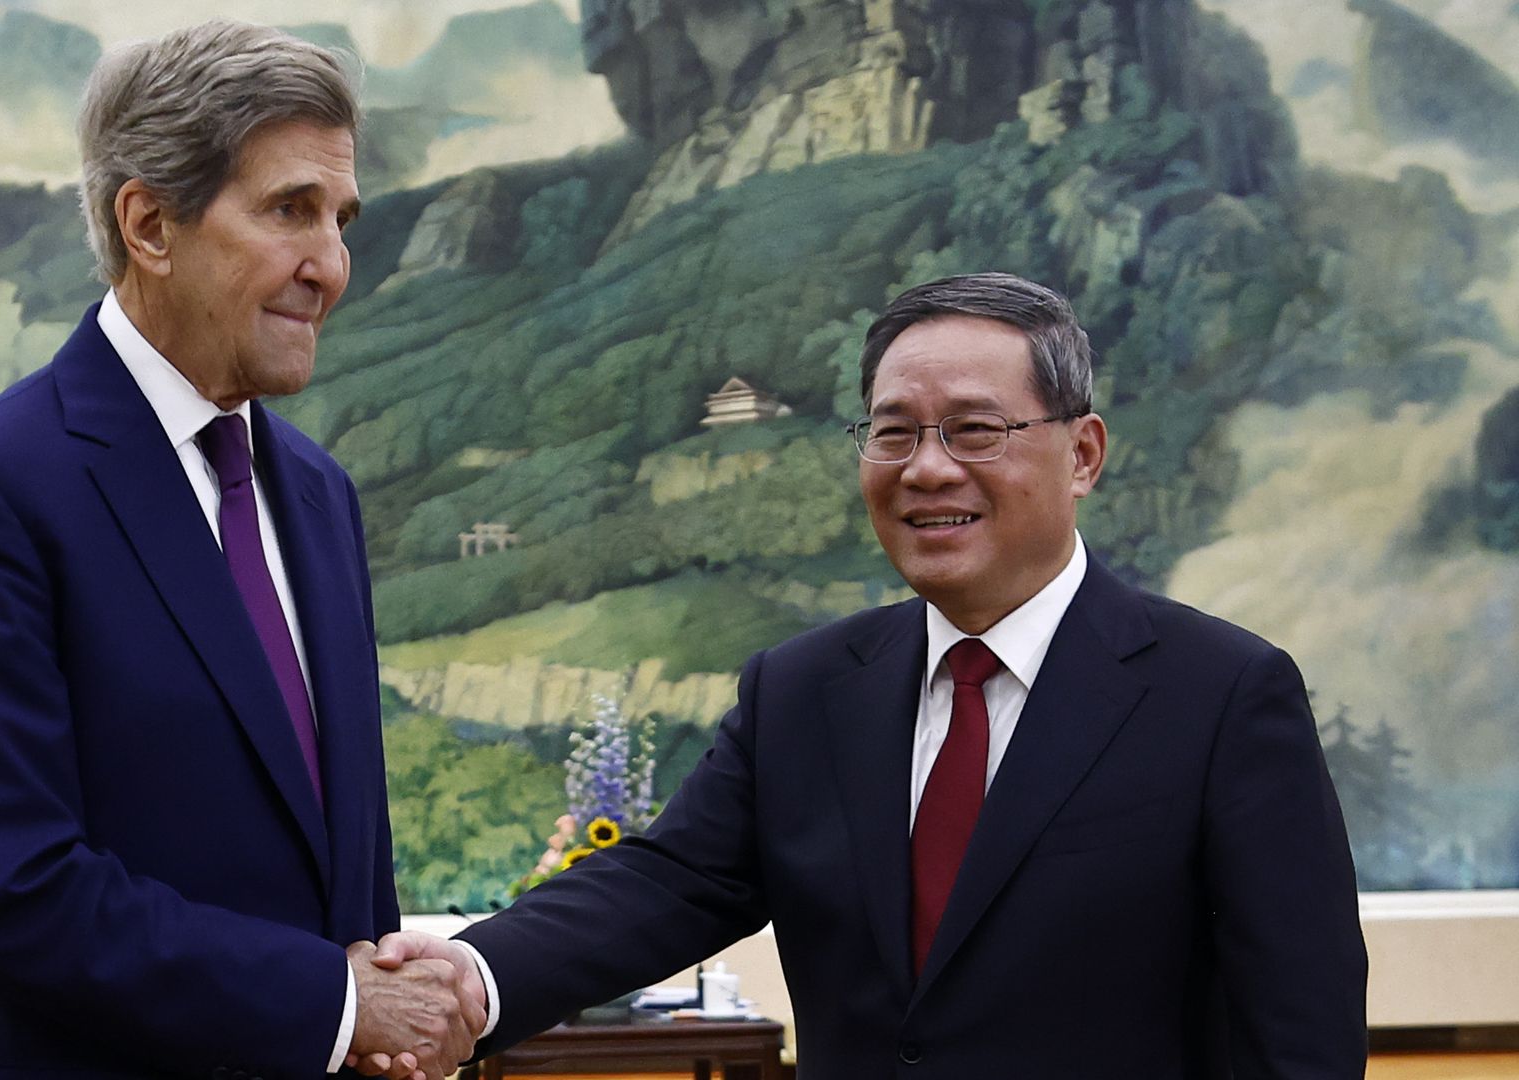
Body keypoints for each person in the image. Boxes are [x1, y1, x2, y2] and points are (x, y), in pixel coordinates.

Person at [372, 273, 1368, 1078]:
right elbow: (667, 882)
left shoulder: (1221, 698)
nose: (926, 468)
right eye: (894, 432)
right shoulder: (805, 691)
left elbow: (1302, 1029)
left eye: (976, 431)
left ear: (1084, 454)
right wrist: (471, 973)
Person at [0, 21, 479, 1080]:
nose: (331, 266)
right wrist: (337, 1004)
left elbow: (337, 863)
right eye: (291, 211)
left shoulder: (320, 494)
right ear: (150, 224)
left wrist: (372, 1003)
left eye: (341, 219)